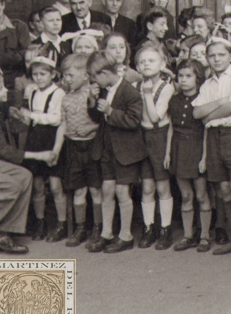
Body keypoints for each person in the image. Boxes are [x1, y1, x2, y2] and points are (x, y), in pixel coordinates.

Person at [192, 38, 231, 264]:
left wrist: (211, 114)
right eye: (212, 56)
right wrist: (219, 104)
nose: (217, 59)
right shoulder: (208, 84)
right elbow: (196, 112)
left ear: (230, 56)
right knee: (225, 191)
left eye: (221, 54)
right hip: (214, 139)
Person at [86, 51, 148, 253]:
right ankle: (106, 233)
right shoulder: (104, 90)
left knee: (122, 192)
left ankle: (126, 235)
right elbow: (96, 118)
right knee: (107, 190)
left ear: (105, 73)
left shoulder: (129, 91)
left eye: (94, 77)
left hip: (125, 151)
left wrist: (111, 112)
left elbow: (133, 120)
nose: (93, 81)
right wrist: (92, 101)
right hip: (107, 149)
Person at [0, 66, 46, 253]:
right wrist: (39, 156)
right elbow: (1, 149)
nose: (6, 91)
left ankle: (3, 232)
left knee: (24, 176)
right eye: (0, 88)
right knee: (11, 187)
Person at [10, 56, 67, 242]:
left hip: (50, 140)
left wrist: (33, 115)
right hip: (35, 140)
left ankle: (62, 222)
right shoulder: (32, 91)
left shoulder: (58, 93)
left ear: (53, 74)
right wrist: (23, 116)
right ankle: (41, 222)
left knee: (56, 184)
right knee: (37, 185)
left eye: (43, 74)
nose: (39, 78)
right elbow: (31, 119)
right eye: (35, 74)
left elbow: (56, 119)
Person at [51, 54, 103, 247]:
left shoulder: (94, 94)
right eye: (65, 75)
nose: (67, 79)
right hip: (73, 148)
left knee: (95, 190)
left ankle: (98, 227)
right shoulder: (65, 99)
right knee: (79, 190)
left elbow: (102, 122)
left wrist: (91, 128)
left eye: (71, 75)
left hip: (91, 146)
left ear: (85, 74)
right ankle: (80, 228)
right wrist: (57, 149)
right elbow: (63, 124)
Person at [165, 59, 212, 251]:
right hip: (178, 149)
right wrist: (168, 153)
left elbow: (207, 130)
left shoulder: (202, 98)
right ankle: (188, 235)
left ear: (197, 78)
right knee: (185, 195)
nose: (183, 80)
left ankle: (205, 236)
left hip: (196, 148)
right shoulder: (174, 100)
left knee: (201, 195)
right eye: (181, 76)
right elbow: (171, 127)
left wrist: (204, 157)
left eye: (188, 76)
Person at [133, 45, 176, 250]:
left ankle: (165, 228)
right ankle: (148, 227)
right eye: (142, 61)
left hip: (159, 136)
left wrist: (148, 94)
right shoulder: (135, 85)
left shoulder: (165, 87)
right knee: (147, 186)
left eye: (151, 60)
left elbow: (155, 116)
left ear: (162, 64)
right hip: (142, 137)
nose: (146, 64)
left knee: (162, 186)